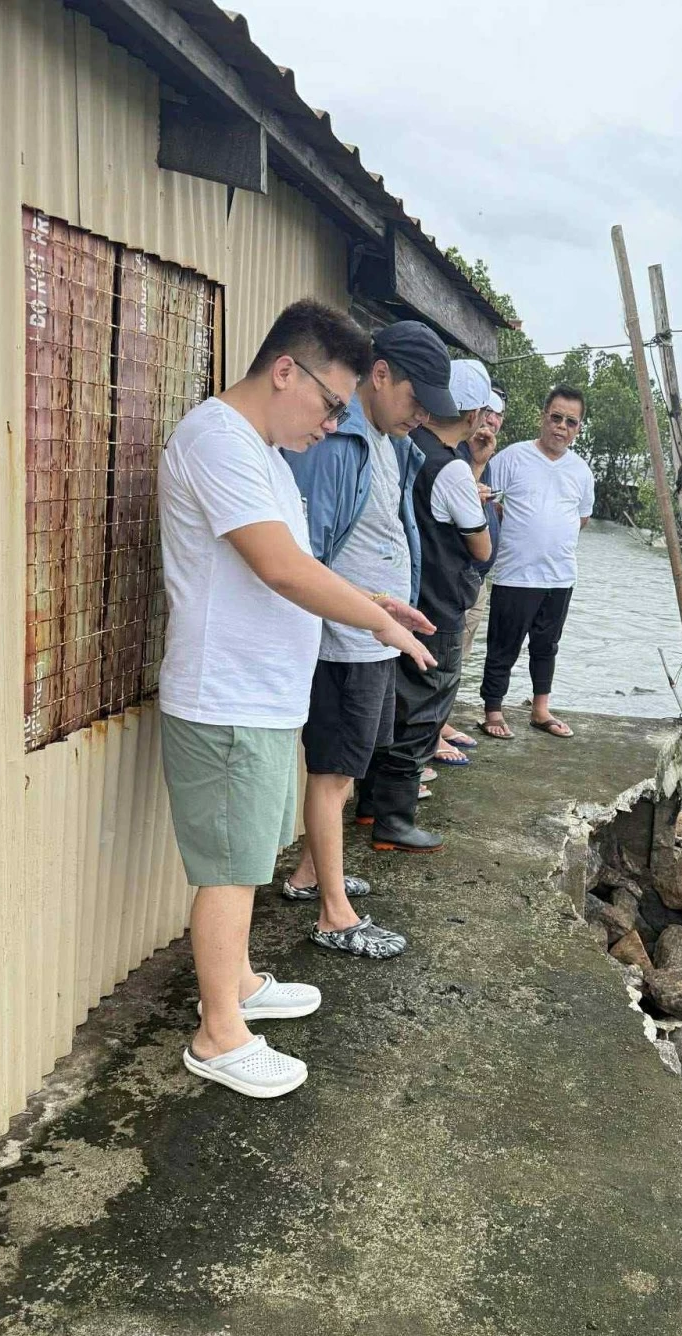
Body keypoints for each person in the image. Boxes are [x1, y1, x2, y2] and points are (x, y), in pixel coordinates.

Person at [157, 300, 435, 1099]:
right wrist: (378, 619)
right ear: (287, 371)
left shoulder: (269, 454)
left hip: (265, 697)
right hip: (226, 694)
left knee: (250, 852)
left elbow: (304, 565)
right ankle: (218, 1032)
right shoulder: (218, 440)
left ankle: (239, 981)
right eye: (332, 404)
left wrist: (376, 594)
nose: (332, 423)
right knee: (229, 866)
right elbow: (279, 568)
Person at [280, 322, 459, 945]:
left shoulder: (390, 442)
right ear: (379, 376)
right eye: (417, 400)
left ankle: (309, 874)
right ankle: (334, 914)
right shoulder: (338, 444)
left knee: (351, 765)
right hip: (343, 641)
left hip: (373, 635)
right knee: (331, 774)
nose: (423, 417)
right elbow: (306, 554)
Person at [355, 360, 494, 851]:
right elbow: (482, 549)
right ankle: (394, 818)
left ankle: (373, 805)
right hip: (439, 604)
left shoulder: (405, 448)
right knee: (425, 712)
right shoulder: (452, 467)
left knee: (395, 707)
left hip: (405, 597)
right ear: (475, 413)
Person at [478, 385, 594, 740]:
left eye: (570, 422)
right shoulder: (511, 458)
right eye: (556, 417)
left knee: (547, 646)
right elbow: (486, 501)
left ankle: (540, 709)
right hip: (515, 574)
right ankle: (492, 710)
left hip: (560, 576)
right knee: (503, 645)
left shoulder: (581, 472)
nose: (561, 427)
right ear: (543, 416)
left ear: (578, 428)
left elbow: (582, 518)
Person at [437, 384, 505, 758]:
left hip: (476, 580)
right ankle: (429, 734)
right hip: (452, 577)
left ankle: (440, 721)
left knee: (456, 656)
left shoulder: (483, 456)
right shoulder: (452, 455)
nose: (492, 420)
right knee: (440, 658)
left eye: (498, 415)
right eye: (487, 411)